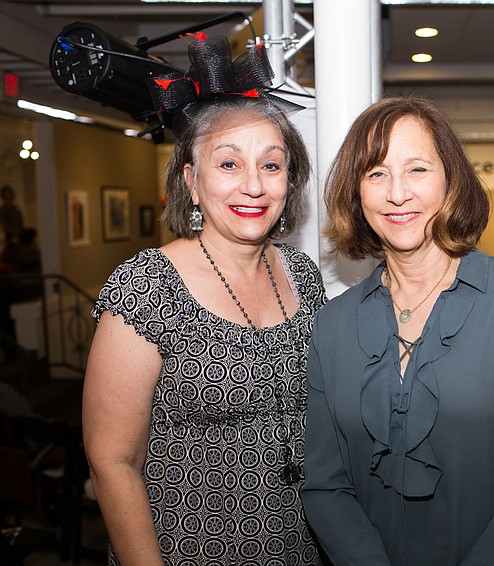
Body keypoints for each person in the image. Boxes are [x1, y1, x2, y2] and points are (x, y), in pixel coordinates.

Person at [301, 96, 494, 565]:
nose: (397, 193)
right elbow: (324, 482)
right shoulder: (333, 322)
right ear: (356, 193)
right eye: (376, 174)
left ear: (451, 179)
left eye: (417, 169)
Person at [82, 36, 327, 565]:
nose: (254, 186)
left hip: (302, 547)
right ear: (191, 182)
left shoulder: (304, 277)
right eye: (229, 164)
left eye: (272, 165)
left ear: (289, 180)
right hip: (187, 549)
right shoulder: (146, 287)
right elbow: (112, 461)